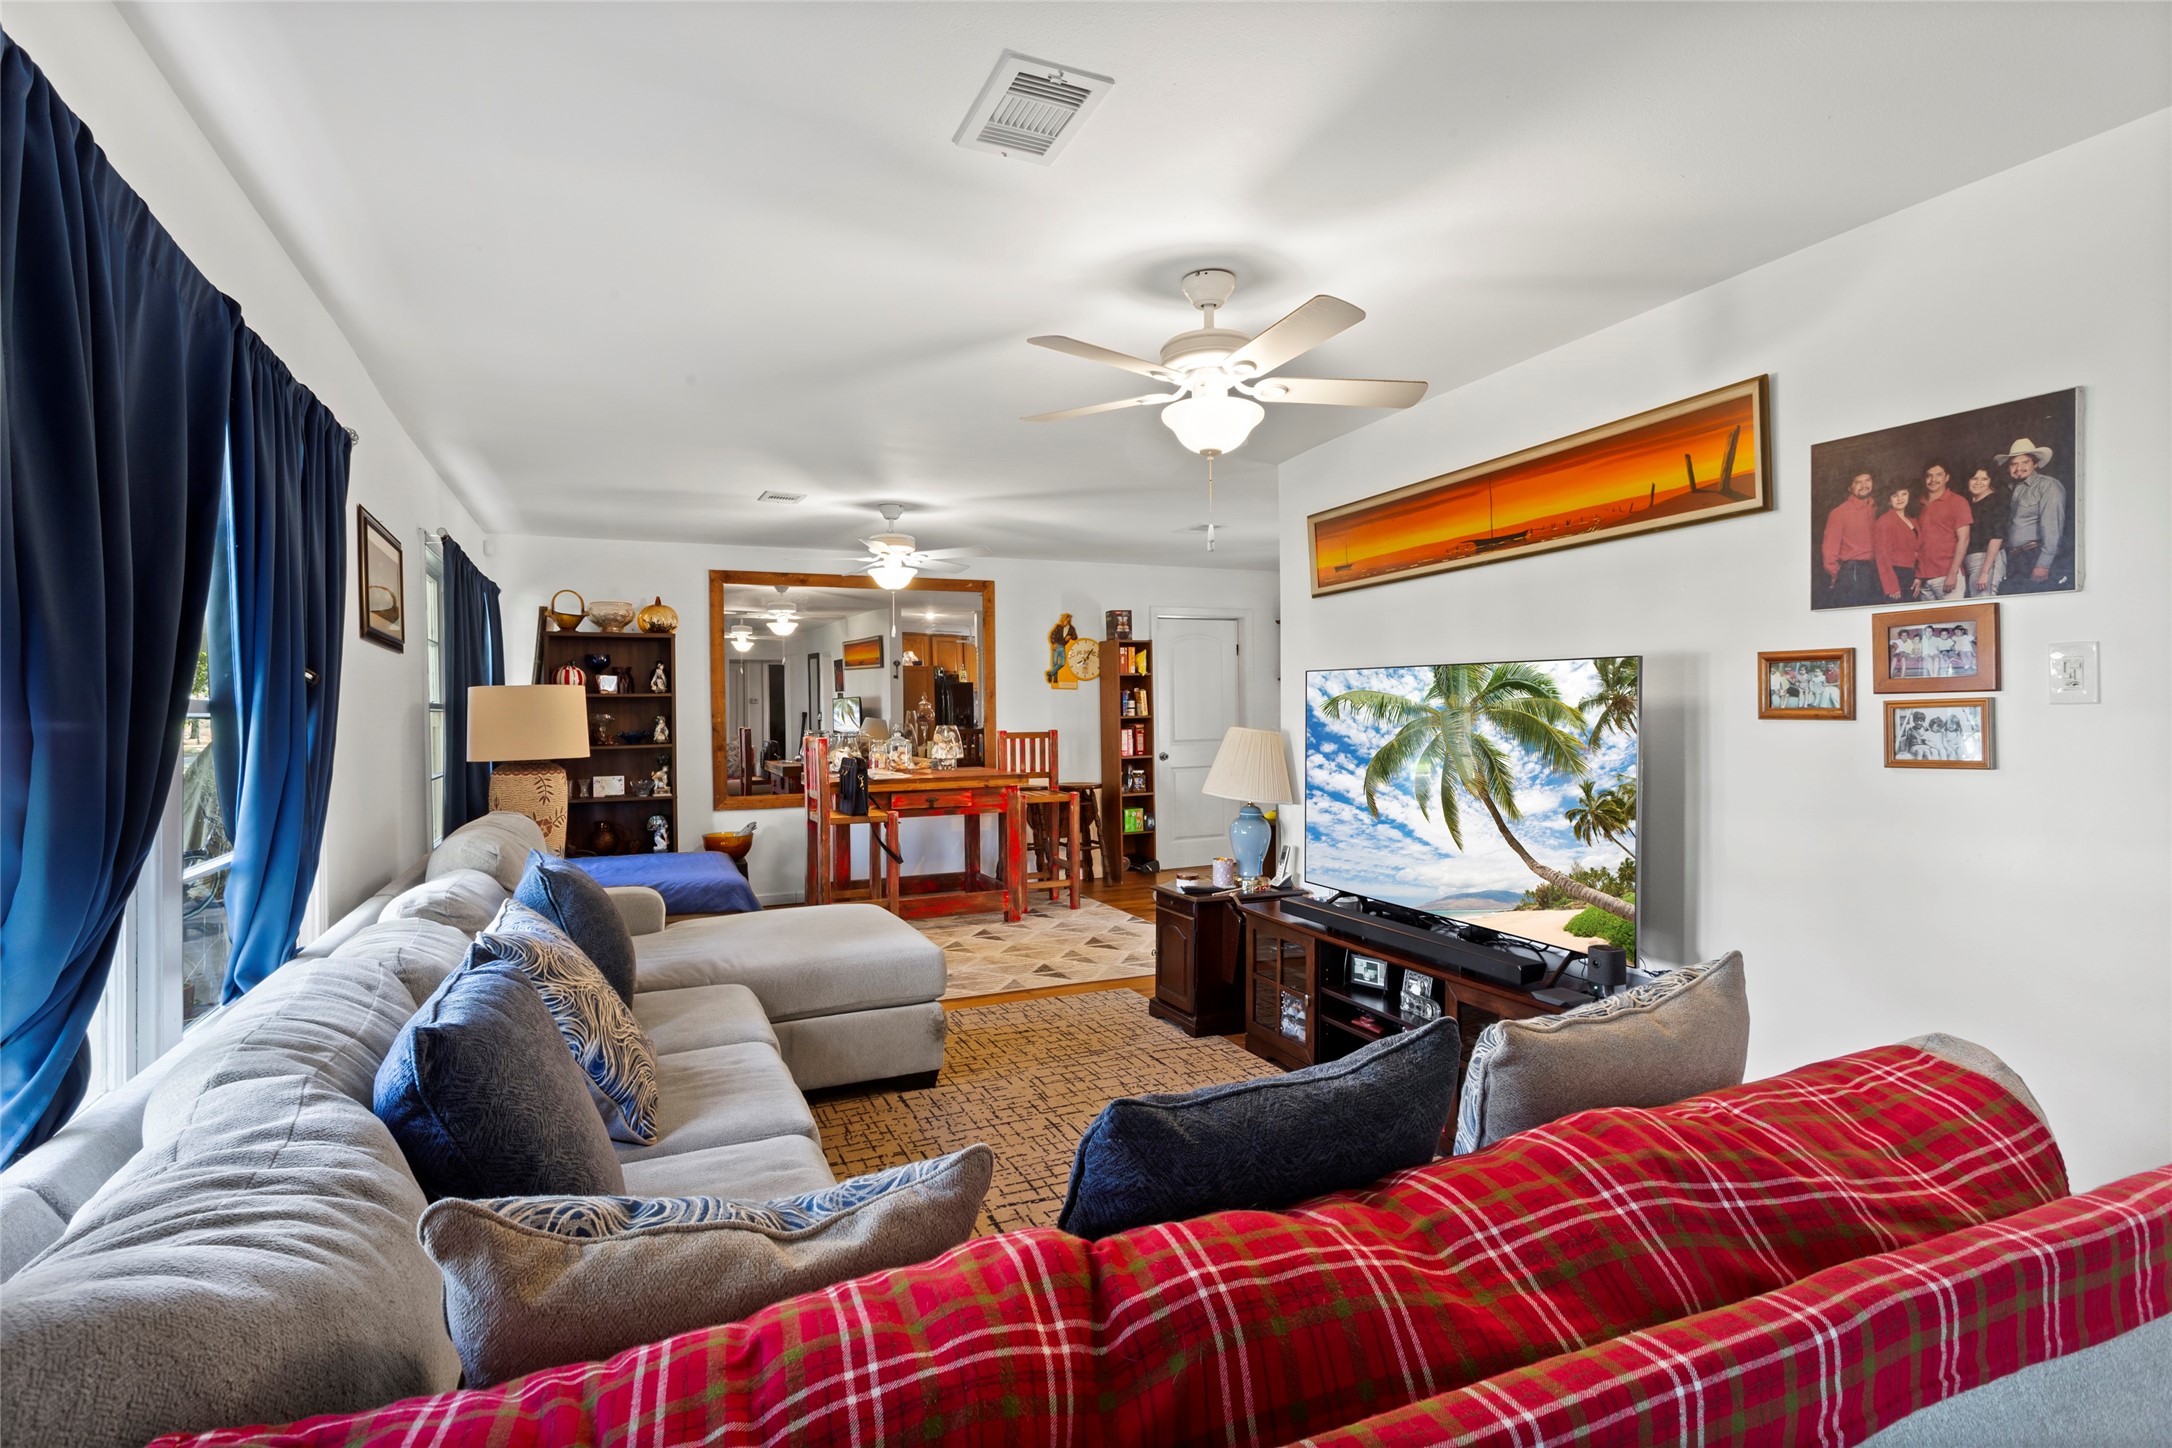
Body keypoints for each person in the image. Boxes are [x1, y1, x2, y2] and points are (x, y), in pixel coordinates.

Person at [1997, 438, 2070, 593]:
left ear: (2035, 463)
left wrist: (2043, 563)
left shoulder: (2048, 485)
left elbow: (2052, 526)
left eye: (2025, 462)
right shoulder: (2009, 489)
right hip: (2013, 559)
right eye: (2014, 464)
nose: (2019, 468)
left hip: (2034, 555)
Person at [1911, 461, 1973, 600]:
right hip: (1924, 578)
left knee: (1954, 618)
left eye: (1939, 475)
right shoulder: (1918, 504)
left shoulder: (1957, 502)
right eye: (1929, 476)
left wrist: (1953, 573)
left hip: (1947, 575)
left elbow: (1964, 539)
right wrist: (1918, 575)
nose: (1933, 480)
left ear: (1947, 477)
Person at [1821, 471, 1879, 606]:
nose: (1864, 485)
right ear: (1849, 487)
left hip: (1878, 569)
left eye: (1867, 480)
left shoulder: (1878, 508)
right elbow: (1829, 551)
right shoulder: (1839, 513)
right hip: (1854, 571)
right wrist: (1837, 575)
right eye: (1858, 482)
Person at [1962, 466, 2008, 597]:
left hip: (1987, 559)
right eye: (1974, 478)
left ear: (1991, 481)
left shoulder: (1997, 501)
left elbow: (1997, 537)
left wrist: (1985, 572)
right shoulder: (1969, 503)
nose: (1978, 482)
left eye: (1984, 479)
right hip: (1970, 561)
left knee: (1983, 598)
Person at [1872, 483, 1919, 602]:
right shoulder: (1884, 521)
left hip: (1912, 575)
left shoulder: (1912, 519)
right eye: (1895, 495)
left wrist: (1919, 576)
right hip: (1896, 575)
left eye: (1904, 494)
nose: (1900, 498)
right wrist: (1891, 586)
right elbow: (1882, 556)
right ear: (1889, 500)